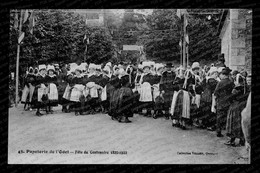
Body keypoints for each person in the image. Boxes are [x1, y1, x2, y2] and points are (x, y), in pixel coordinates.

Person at [225, 72, 250, 146]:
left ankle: (232, 140)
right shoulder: (247, 88)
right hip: (243, 106)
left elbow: (230, 98)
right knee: (240, 122)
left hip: (235, 107)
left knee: (233, 123)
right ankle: (242, 140)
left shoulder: (236, 89)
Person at [213, 67, 234, 137]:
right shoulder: (231, 82)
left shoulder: (220, 83)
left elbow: (215, 93)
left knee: (219, 118)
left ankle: (218, 132)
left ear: (224, 75)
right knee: (228, 117)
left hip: (221, 102)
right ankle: (228, 132)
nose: (220, 76)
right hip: (228, 102)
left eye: (221, 74)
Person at [200, 67, 219, 131]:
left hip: (205, 96)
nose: (216, 75)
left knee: (205, 110)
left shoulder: (206, 79)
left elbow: (201, 86)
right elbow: (216, 88)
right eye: (215, 74)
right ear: (212, 74)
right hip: (209, 97)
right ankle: (209, 125)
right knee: (210, 111)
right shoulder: (212, 80)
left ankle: (204, 123)